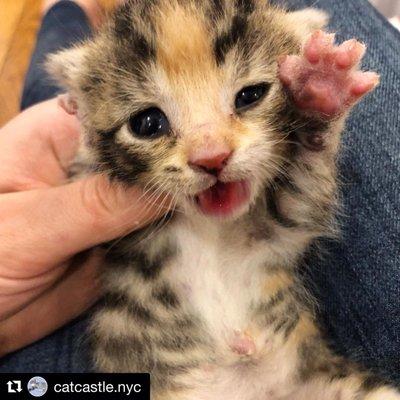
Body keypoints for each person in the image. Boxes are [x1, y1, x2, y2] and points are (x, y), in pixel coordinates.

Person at [0, 0, 398, 384]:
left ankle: (64, 10)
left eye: (248, 96)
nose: (211, 154)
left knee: (46, 85)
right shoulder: (135, 226)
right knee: (57, 84)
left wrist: (314, 129)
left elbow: (298, 224)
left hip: (298, 375)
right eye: (150, 123)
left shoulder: (262, 217)